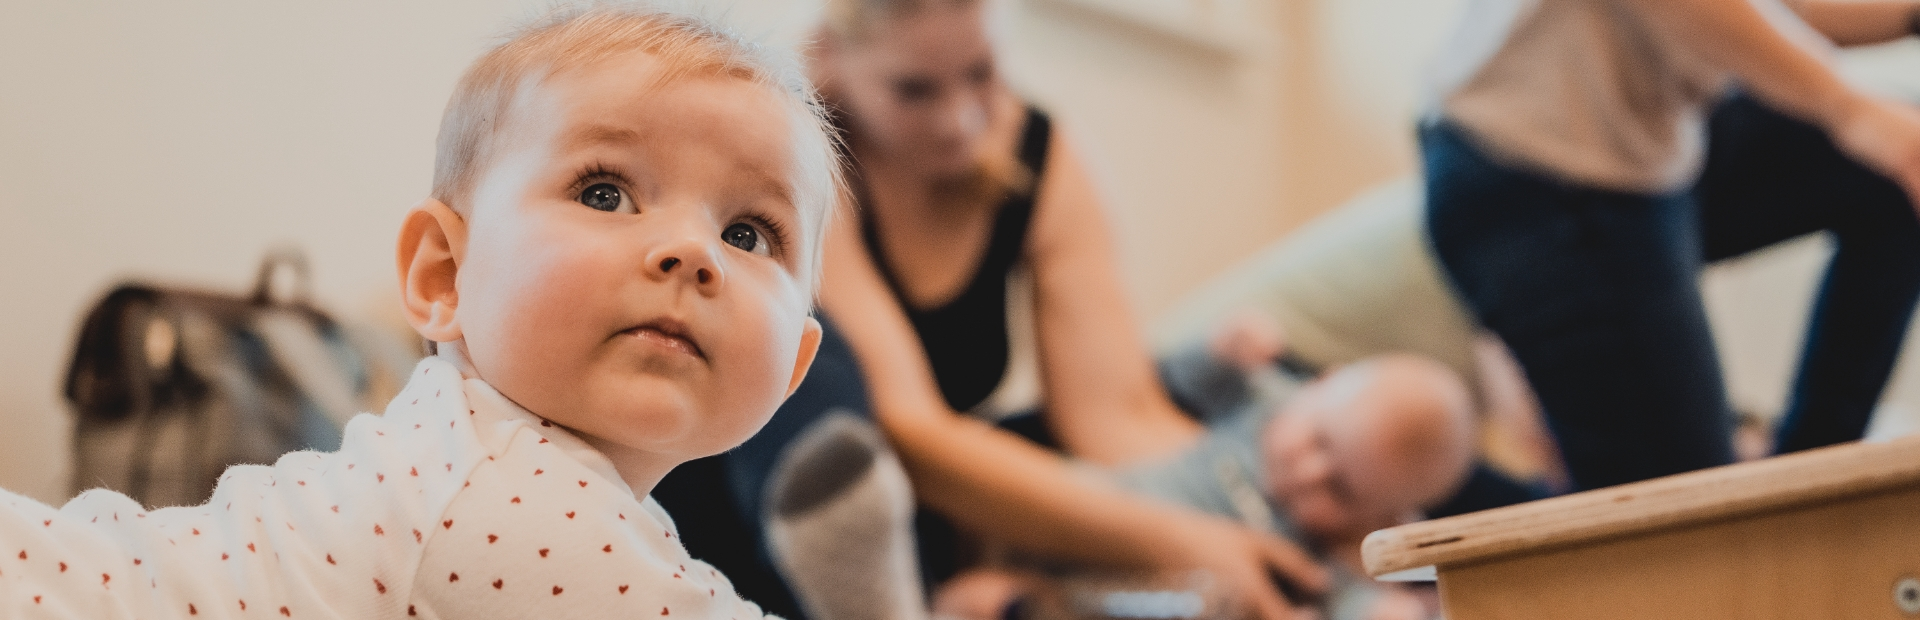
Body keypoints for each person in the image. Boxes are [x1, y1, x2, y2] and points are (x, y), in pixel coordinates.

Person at [0, 5, 839, 617]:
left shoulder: (509, 469)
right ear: (445, 274)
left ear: (796, 365)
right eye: (605, 191)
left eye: (747, 231)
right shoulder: (502, 497)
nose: (689, 252)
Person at [809, 0, 1330, 616]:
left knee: (1300, 401)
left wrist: (1260, 500)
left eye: (982, 74)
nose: (960, 119)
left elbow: (1111, 416)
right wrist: (1182, 541)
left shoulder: (1039, 148)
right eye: (914, 90)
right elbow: (909, 434)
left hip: (967, 466)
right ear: (835, 59)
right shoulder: (806, 147)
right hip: (847, 481)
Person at [1421, 0, 1920, 491]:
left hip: (1638, 159)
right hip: (1540, 174)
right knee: (1691, 536)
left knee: (1895, 170)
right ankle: (1786, 518)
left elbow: (1782, 15)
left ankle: (1813, 479)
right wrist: (1849, 108)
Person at [931, 354, 1477, 620]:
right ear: (1318, 385)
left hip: (1132, 595)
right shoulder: (1262, 399)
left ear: (1379, 520)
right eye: (1318, 441)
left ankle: (1022, 606)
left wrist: (1386, 608)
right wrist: (1227, 344)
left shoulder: (1317, 552)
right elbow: (1169, 373)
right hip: (1087, 507)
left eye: (1341, 490)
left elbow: (1347, 595)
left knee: (980, 601)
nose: (1308, 474)